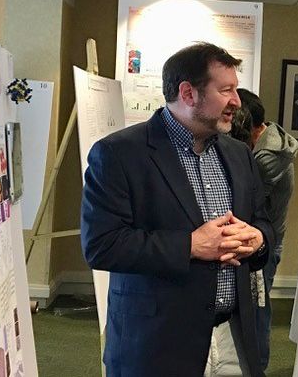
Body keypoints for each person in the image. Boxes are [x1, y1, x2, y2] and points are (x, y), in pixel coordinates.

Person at [80, 42, 275, 377]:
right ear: (188, 93)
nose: (237, 101)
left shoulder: (238, 154)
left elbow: (263, 223)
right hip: (158, 344)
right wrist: (190, 245)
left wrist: (257, 239)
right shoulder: (118, 154)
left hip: (234, 337)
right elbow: (102, 245)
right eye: (226, 89)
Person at [231, 88, 298, 370]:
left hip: (262, 243)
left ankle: (255, 368)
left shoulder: (267, 156)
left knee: (255, 311)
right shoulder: (268, 142)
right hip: (263, 238)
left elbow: (241, 199)